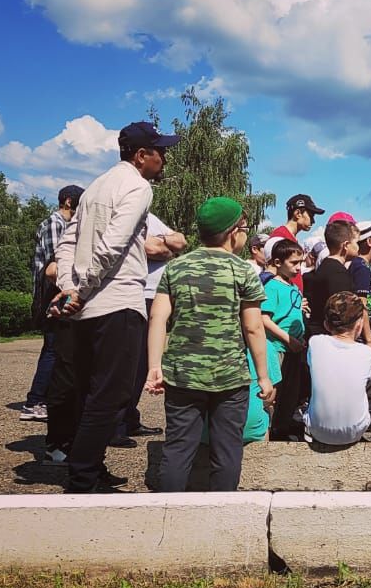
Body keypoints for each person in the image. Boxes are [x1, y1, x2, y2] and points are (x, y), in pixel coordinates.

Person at [53, 121, 180, 493]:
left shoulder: (96, 186)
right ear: (141, 156)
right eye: (161, 151)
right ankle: (84, 478)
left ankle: (90, 466)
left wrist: (68, 287)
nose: (165, 158)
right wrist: (84, 289)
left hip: (87, 307)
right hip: (118, 301)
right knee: (111, 395)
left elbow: (69, 241)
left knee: (88, 390)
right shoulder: (137, 187)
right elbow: (113, 244)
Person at [146, 197, 275, 492]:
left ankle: (167, 511)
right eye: (245, 227)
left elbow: (157, 317)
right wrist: (263, 375)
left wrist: (155, 366)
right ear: (233, 232)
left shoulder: (176, 267)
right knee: (227, 451)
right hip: (230, 378)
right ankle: (220, 513)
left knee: (178, 449)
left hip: (182, 374)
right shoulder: (244, 271)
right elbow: (253, 327)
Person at [117, 211, 187, 447]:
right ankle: (116, 425)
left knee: (141, 363)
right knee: (129, 363)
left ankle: (129, 418)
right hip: (137, 295)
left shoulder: (148, 216)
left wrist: (165, 244)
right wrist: (167, 248)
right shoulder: (125, 215)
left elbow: (180, 241)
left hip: (152, 296)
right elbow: (152, 249)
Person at [22, 184, 84, 422]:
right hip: (51, 294)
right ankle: (35, 401)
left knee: (60, 349)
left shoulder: (66, 225)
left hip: (62, 292)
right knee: (52, 348)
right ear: (69, 201)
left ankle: (45, 399)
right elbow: (55, 265)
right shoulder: (54, 224)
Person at [251, 240, 307, 443]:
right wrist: (288, 339)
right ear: (277, 262)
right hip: (278, 350)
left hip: (293, 348)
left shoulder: (292, 286)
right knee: (275, 393)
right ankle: (271, 429)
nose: (298, 267)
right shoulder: (272, 286)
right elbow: (264, 318)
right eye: (293, 263)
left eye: (300, 262)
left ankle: (282, 428)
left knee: (290, 393)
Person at [306, 291, 371, 446]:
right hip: (355, 431)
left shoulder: (315, 343)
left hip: (318, 429)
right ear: (359, 325)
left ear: (326, 324)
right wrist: (369, 340)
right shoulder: (367, 353)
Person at [303, 219, 360, 338]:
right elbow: (342, 313)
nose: (358, 247)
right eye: (356, 242)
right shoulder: (338, 274)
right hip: (332, 337)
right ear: (345, 245)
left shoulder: (325, 267)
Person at [264, 194, 324, 289]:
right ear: (297, 213)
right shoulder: (278, 239)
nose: (313, 221)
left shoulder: (291, 239)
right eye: (311, 215)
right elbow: (271, 278)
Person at [349, 219, 371, 332]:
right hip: (364, 336)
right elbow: (361, 305)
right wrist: (369, 339)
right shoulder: (361, 268)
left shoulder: (364, 265)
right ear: (369, 241)